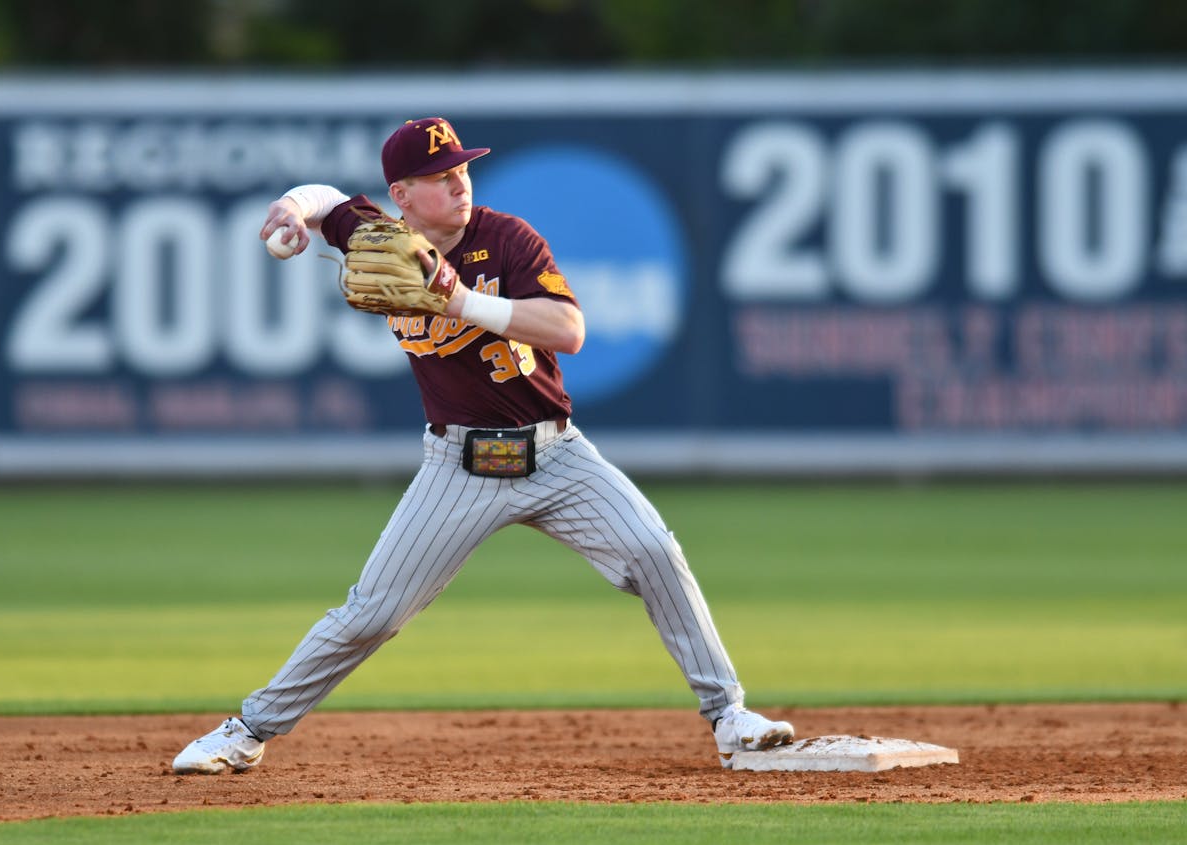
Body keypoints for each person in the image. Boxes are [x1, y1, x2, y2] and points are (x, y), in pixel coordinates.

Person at [173, 117, 793, 775]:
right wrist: (294, 209)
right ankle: (247, 729)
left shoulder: (506, 239)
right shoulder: (388, 237)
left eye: (462, 170)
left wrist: (462, 301)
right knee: (372, 613)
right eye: (441, 177)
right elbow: (328, 201)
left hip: (556, 455)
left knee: (653, 550)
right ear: (403, 194)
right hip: (458, 464)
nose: (459, 184)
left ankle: (729, 714)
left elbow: (569, 329)